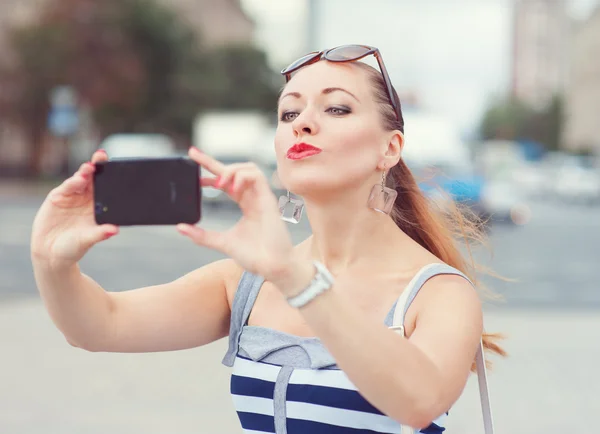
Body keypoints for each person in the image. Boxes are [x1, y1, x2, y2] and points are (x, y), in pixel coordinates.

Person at [31, 44, 505, 433]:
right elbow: (97, 326)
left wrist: (297, 278)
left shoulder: (439, 293)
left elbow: (417, 402)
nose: (301, 122)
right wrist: (52, 261)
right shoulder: (248, 280)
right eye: (288, 113)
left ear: (390, 147)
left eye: (336, 107)